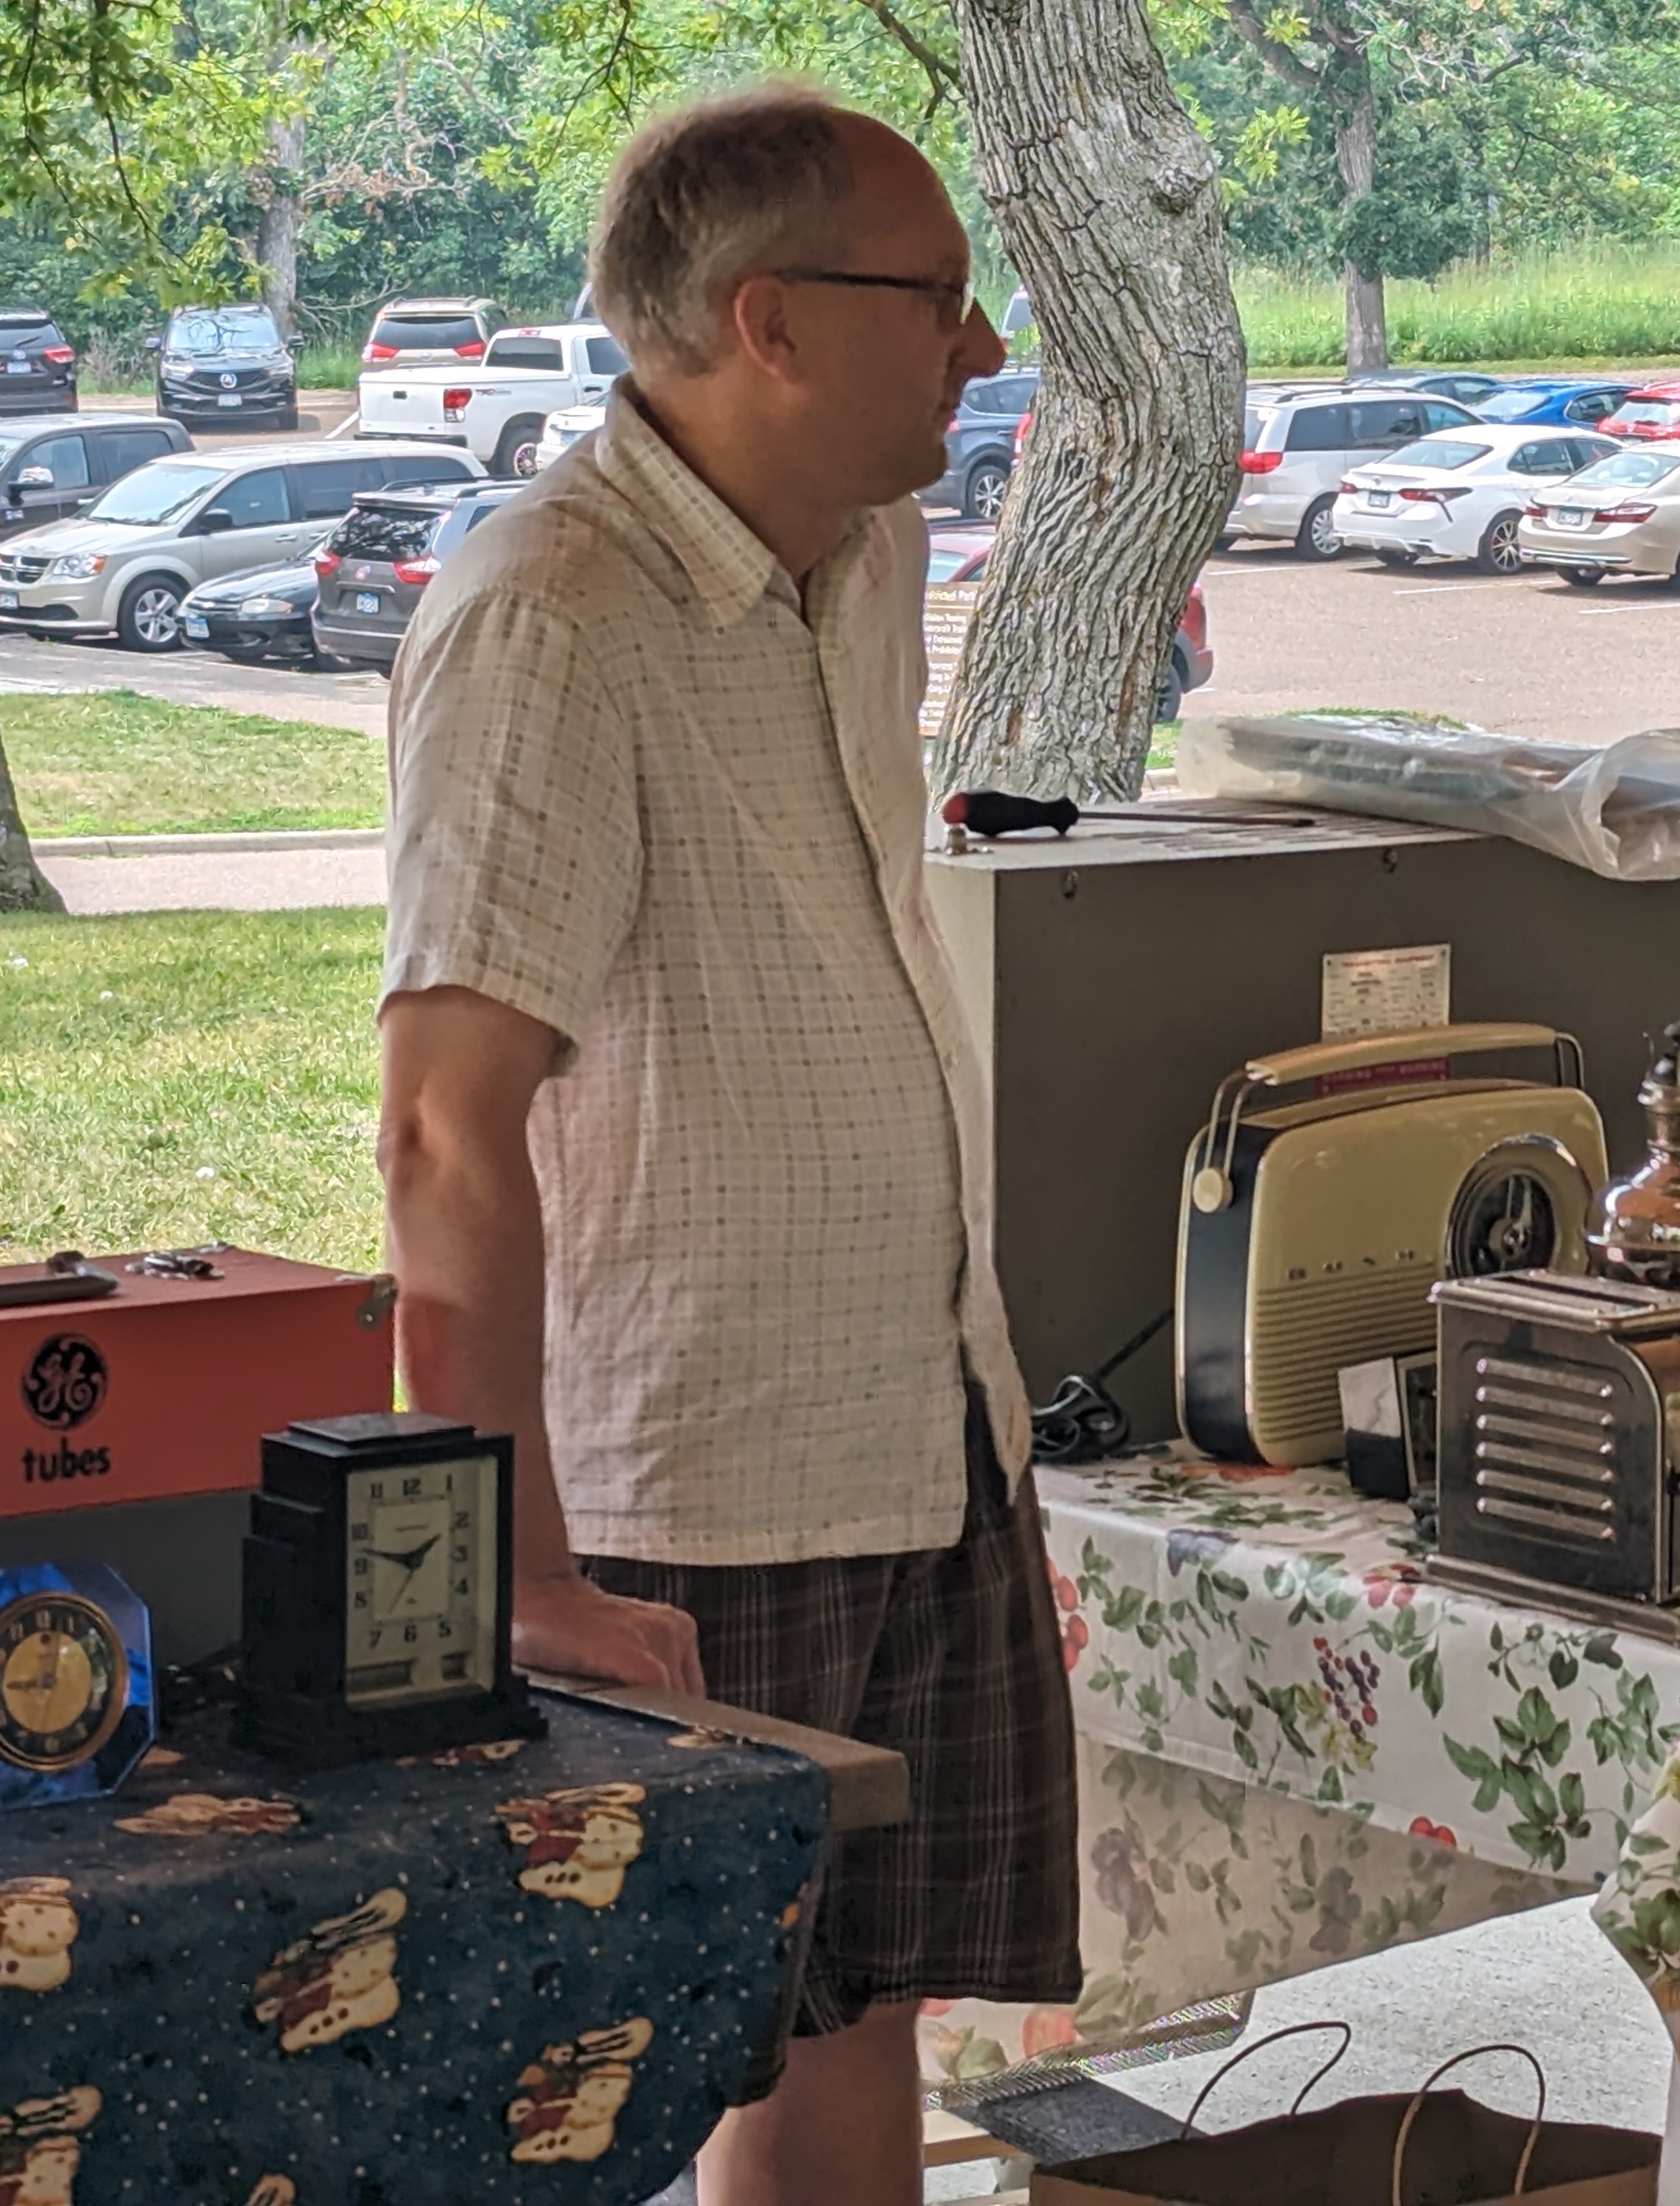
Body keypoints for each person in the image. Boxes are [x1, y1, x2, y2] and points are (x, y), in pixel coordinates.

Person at [375, 87, 1078, 2206]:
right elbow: (440, 1121)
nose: (978, 348)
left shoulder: (850, 556)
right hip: (686, 1495)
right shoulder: (547, 616)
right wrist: (521, 1570)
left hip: (919, 1422)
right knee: (636, 2070)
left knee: (851, 2003)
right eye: (940, 303)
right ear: (768, 321)